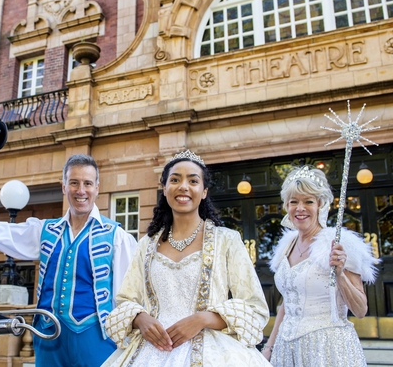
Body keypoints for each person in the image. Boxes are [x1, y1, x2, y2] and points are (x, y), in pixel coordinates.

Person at [102, 150, 270, 366]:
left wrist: (203, 319)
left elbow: (255, 307)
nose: (183, 186)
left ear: (204, 191)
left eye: (193, 180)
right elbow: (126, 299)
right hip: (151, 350)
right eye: (175, 179)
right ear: (164, 188)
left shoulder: (227, 240)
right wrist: (140, 319)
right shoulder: (147, 244)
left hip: (215, 351)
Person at [0, 154, 138, 367]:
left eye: (87, 183)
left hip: (96, 338)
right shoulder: (45, 230)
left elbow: (127, 296)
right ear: (64, 187)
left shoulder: (116, 236)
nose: (81, 190)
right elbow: (3, 234)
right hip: (48, 338)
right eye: (74, 183)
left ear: (97, 187)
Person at [264, 166, 378, 366]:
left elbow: (360, 310)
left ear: (320, 205)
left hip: (327, 349)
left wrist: (340, 274)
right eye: (293, 202)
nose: (300, 208)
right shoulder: (286, 246)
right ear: (286, 206)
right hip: (286, 350)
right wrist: (269, 348)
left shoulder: (339, 245)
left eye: (308, 201)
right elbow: (287, 305)